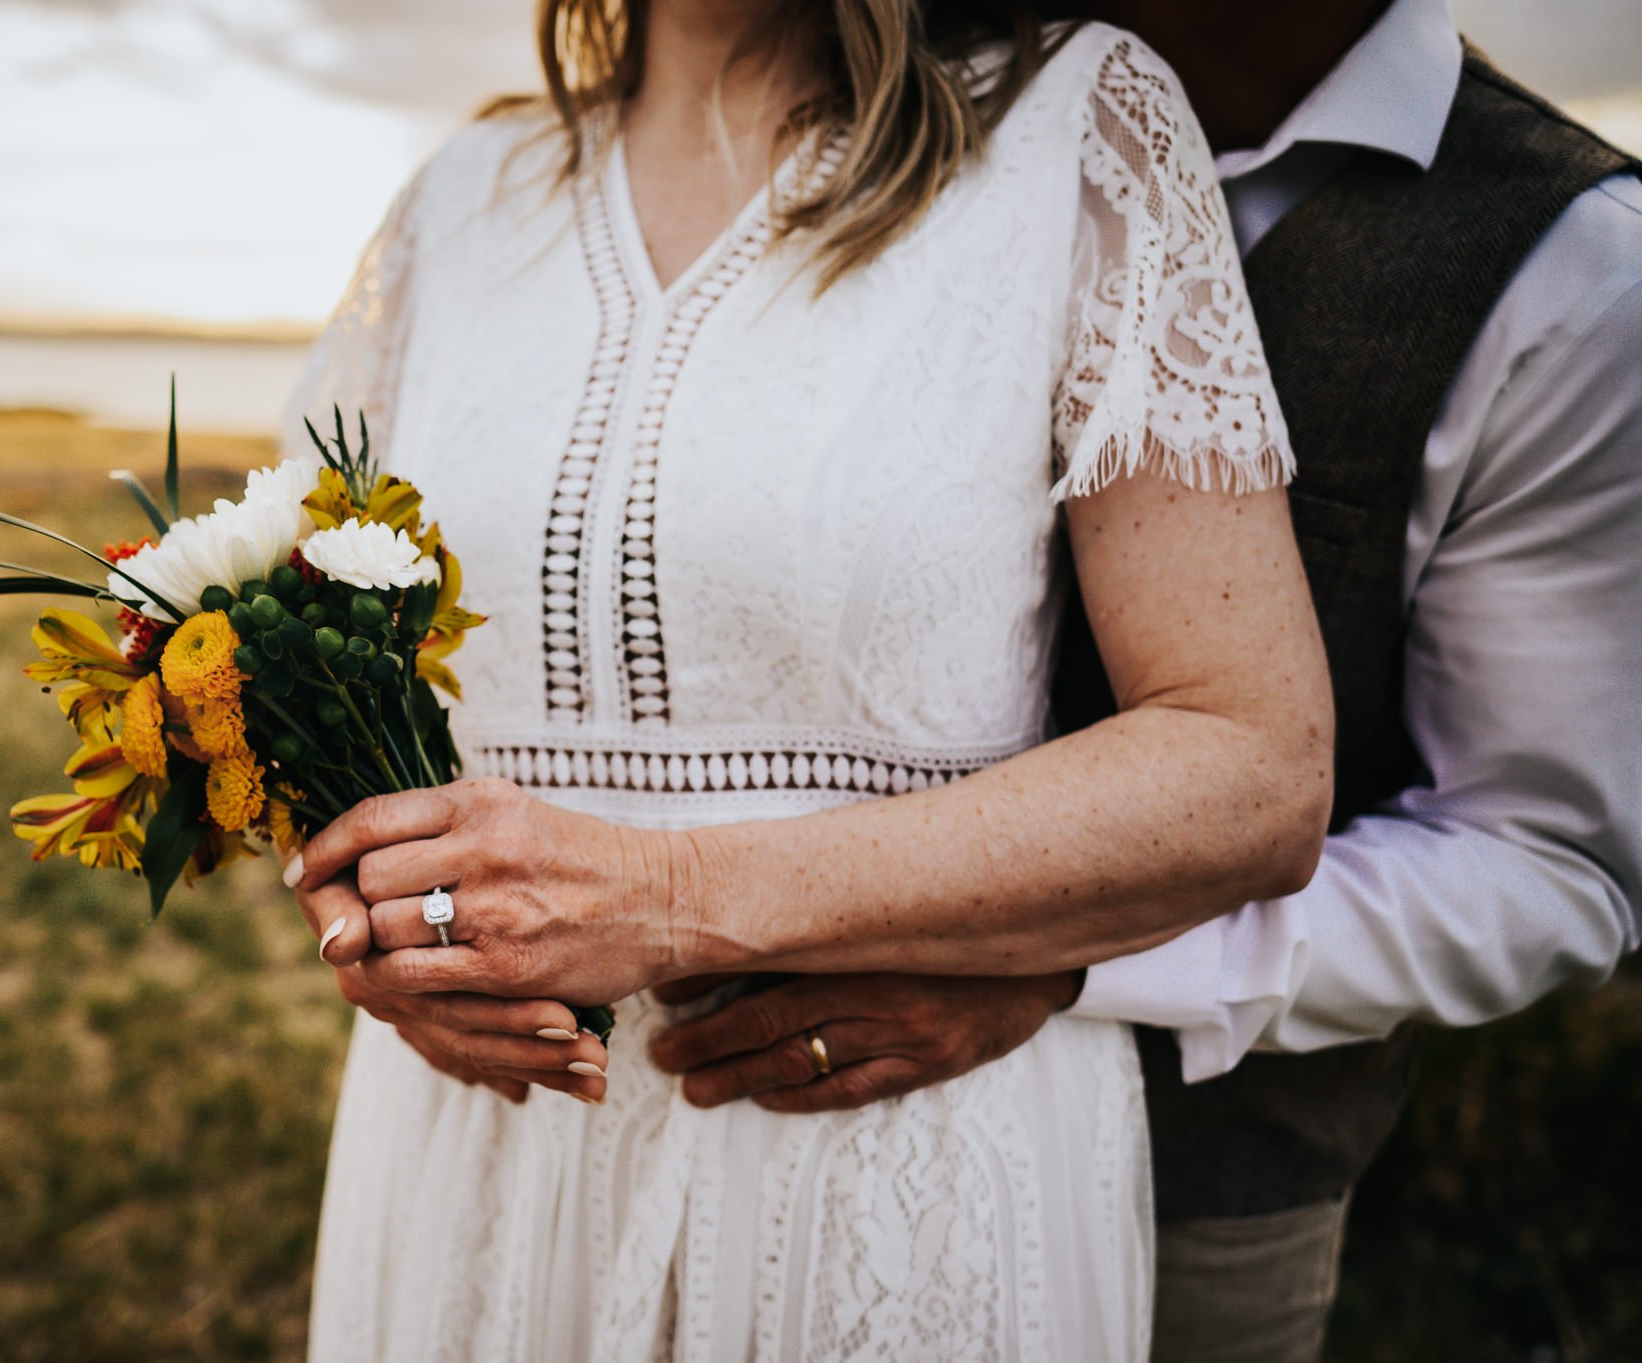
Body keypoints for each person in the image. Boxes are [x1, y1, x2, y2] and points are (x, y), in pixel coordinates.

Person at [282, 1, 1335, 1358]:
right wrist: (362, 912)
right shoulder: (462, 200)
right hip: (477, 1162)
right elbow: (305, 656)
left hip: (886, 1174)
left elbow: (1254, 766)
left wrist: (674, 901)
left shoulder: (1073, 126)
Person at [640, 1, 1642, 1359]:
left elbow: (1549, 861)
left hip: (1206, 1195)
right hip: (726, 1124)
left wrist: (1069, 954)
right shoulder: (894, 87)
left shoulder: (1571, 269)